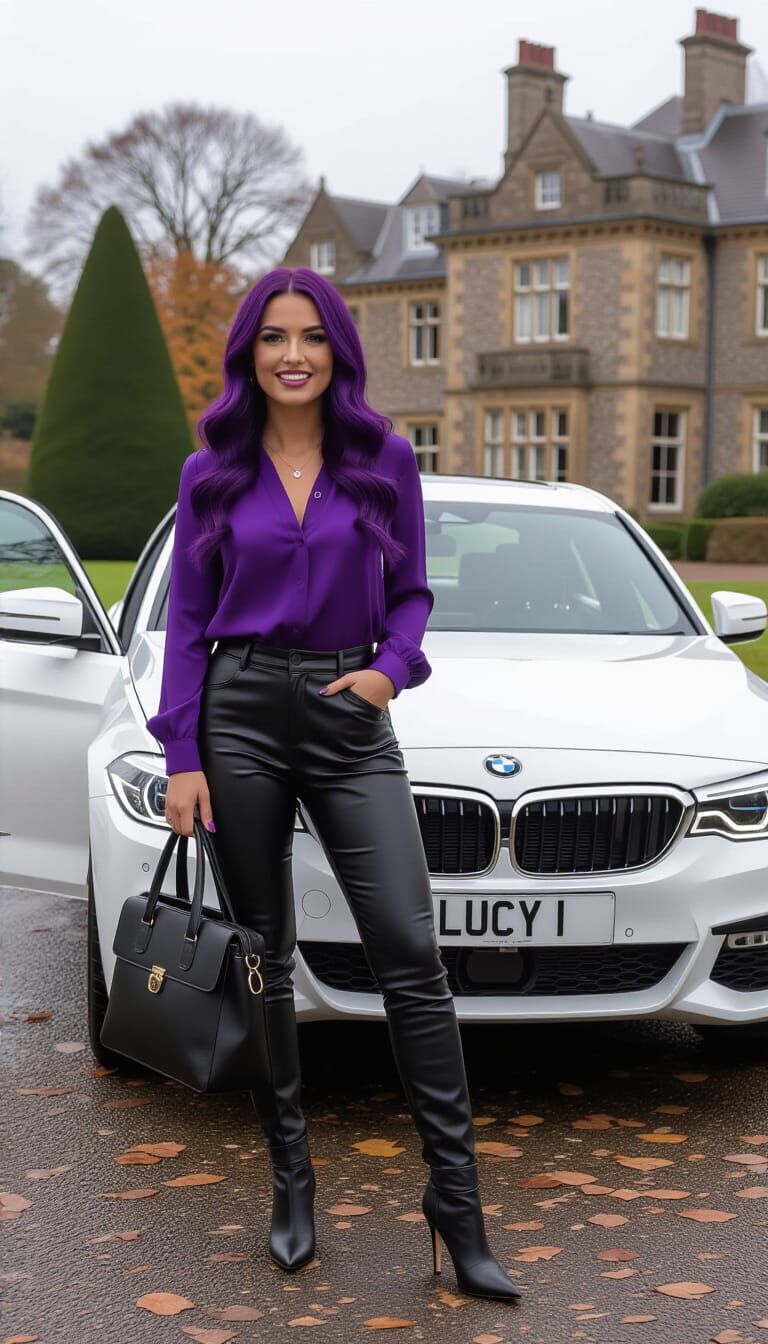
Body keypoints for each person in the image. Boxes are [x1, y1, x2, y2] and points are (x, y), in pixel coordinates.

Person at [145, 267, 522, 1304]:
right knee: (268, 958)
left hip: (351, 716)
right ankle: (292, 1182)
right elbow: (186, 623)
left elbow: (412, 594)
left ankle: (458, 1210)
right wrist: (183, 753)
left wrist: (386, 674)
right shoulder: (211, 473)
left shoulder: (383, 458)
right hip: (240, 716)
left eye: (312, 336)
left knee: (412, 955)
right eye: (274, 338)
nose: (294, 354)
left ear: (338, 349)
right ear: (249, 354)